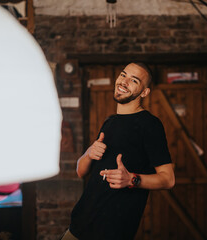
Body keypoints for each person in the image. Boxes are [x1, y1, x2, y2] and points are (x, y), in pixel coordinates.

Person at [61, 62, 175, 240]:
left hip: (112, 232)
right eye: (123, 75)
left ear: (144, 92)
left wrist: (132, 179)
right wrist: (89, 152)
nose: (124, 82)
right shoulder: (110, 122)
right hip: (78, 226)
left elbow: (168, 179)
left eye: (134, 80)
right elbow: (81, 171)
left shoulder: (150, 125)